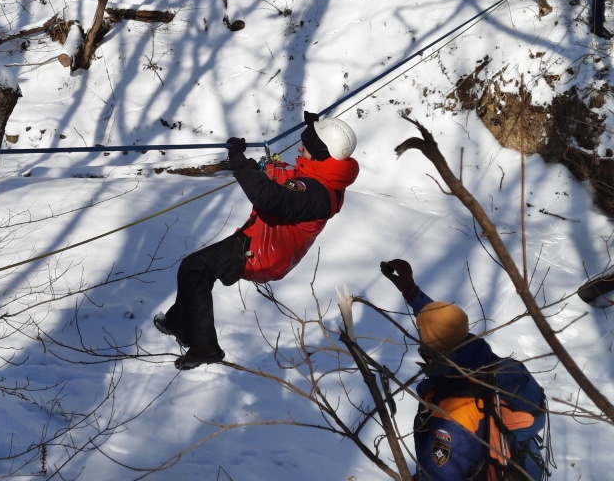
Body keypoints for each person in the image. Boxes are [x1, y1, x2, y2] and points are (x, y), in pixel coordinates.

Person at [154, 112, 360, 370]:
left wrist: (239, 162)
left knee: (196, 269)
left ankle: (204, 345)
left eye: (305, 146)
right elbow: (289, 178)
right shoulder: (322, 175)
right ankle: (178, 323)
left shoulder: (316, 193)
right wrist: (314, 126)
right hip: (259, 240)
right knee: (194, 269)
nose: (299, 148)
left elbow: (269, 197)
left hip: (264, 253)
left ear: (320, 153)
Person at [380, 259, 546, 481]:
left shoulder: (456, 405)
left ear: (430, 348)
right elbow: (446, 326)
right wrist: (412, 294)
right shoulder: (480, 359)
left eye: (422, 335)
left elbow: (442, 474)